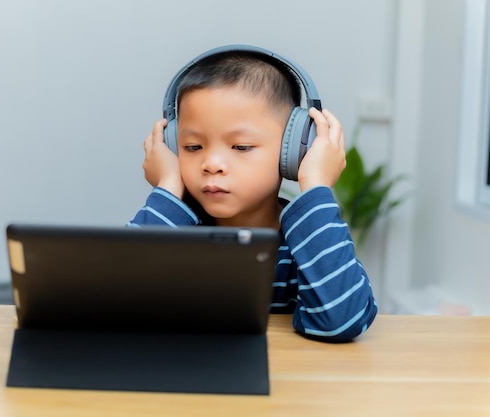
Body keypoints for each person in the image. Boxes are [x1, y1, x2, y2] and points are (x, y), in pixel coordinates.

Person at [127, 48, 377, 342]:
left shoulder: (306, 242)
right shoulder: (170, 233)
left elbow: (340, 321)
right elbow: (112, 304)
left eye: (241, 147)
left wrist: (315, 185)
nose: (211, 165)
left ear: (296, 149)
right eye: (193, 147)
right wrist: (168, 187)